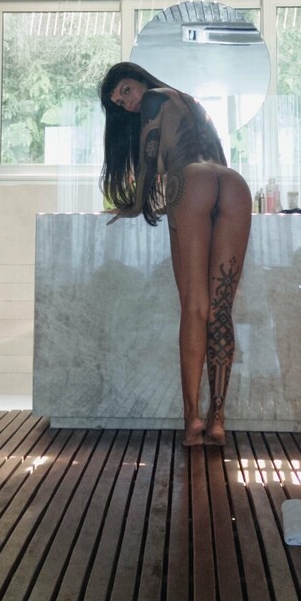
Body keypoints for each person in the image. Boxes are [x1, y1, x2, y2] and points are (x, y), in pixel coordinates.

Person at [98, 61, 252, 450]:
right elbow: (217, 155)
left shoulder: (154, 99)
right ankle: (218, 420)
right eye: (120, 103)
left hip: (192, 182)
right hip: (233, 184)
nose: (127, 103)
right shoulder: (193, 103)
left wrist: (135, 205)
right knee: (221, 309)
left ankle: (193, 419)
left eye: (126, 91)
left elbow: (150, 154)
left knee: (195, 307)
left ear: (140, 80)